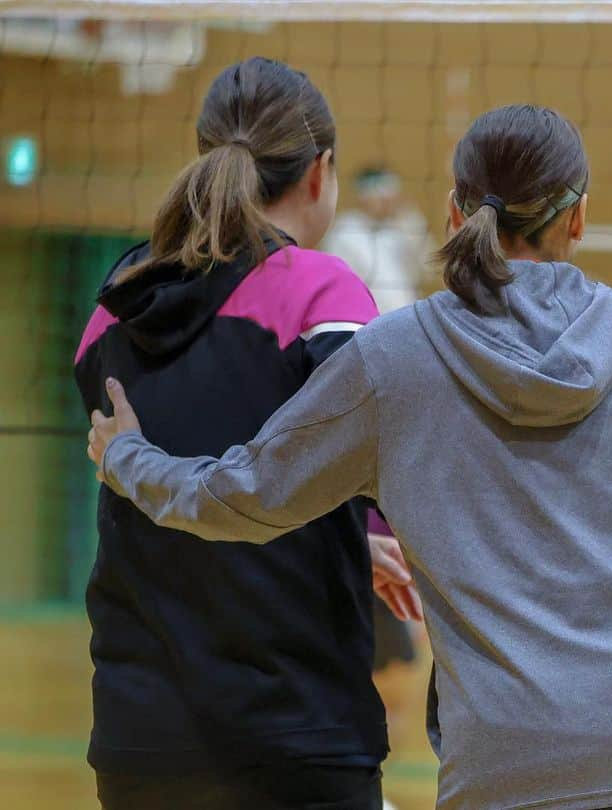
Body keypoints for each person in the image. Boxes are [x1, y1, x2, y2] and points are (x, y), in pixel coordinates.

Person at [87, 103, 612, 810]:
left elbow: (241, 497)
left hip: (507, 768)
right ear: (581, 218)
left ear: (456, 212)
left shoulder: (391, 360)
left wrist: (131, 458)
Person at [73, 57, 419, 810]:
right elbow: (337, 465)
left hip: (140, 736)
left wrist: (342, 541)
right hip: (294, 731)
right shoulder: (324, 294)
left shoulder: (111, 311)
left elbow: (180, 499)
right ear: (320, 172)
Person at [321, 165, 434, 314]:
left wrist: (415, 231)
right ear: (363, 196)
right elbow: (339, 288)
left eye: (392, 194)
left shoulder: (401, 227)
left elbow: (429, 272)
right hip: (368, 323)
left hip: (408, 319)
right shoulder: (344, 232)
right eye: (381, 194)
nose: (387, 200)